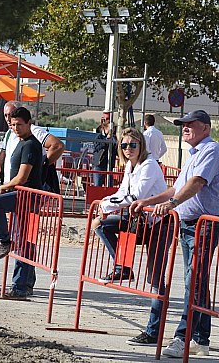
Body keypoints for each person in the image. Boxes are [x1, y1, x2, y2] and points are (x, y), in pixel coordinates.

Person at [130, 110, 219, 357]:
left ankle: (184, 337)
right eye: (183, 125)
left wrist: (171, 204)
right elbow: (176, 188)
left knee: (195, 280)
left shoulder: (210, 150)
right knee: (196, 281)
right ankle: (199, 339)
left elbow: (197, 183)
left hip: (204, 225)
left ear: (206, 128)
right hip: (191, 224)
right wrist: (149, 201)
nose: (185, 128)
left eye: (190, 124)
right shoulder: (195, 154)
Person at [0, 101, 65, 296]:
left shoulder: (34, 137)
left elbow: (57, 146)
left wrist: (42, 165)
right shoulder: (12, 136)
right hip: (13, 191)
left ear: (27, 122)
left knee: (25, 240)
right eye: (8, 119)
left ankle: (20, 284)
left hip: (28, 195)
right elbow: (0, 162)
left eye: (15, 121)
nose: (11, 124)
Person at [90, 128, 169, 346]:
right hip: (141, 221)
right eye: (124, 146)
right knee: (101, 225)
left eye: (132, 145)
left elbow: (137, 195)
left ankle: (153, 331)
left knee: (155, 279)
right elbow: (122, 192)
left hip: (160, 224)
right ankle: (123, 267)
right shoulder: (129, 165)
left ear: (141, 146)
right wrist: (105, 204)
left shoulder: (150, 165)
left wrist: (106, 205)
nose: (128, 149)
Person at [93, 112, 116, 186]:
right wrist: (107, 140)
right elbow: (98, 148)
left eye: (113, 128)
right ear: (105, 128)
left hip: (109, 165)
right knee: (98, 185)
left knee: (110, 185)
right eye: (110, 128)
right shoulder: (99, 137)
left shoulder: (114, 138)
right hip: (99, 164)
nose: (112, 130)